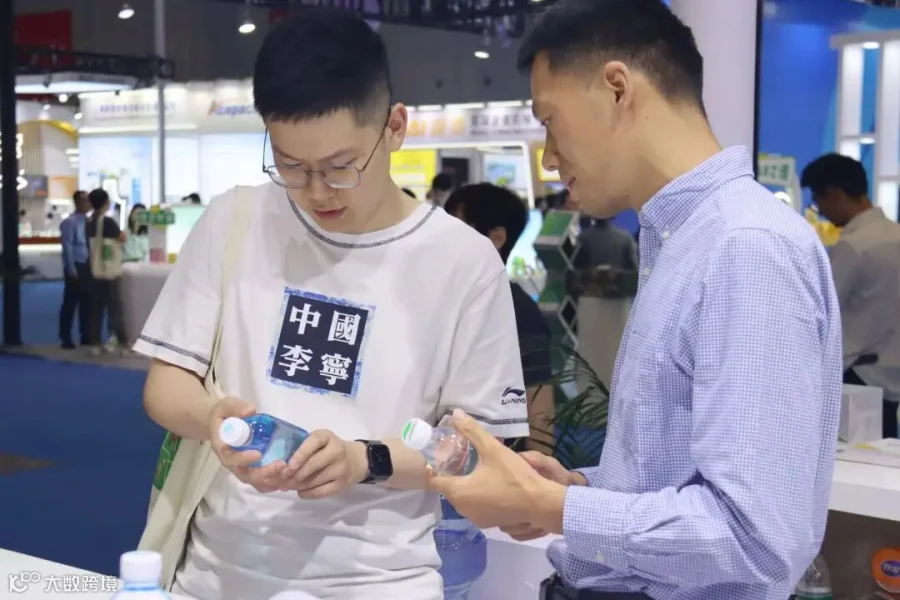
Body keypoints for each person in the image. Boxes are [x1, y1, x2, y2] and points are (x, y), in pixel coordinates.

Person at [427, 2, 842, 600]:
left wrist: (555, 507)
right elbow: (676, 476)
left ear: (617, 89)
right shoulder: (683, 239)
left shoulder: (746, 246)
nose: (548, 156)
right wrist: (576, 491)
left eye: (550, 121)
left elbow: (753, 537)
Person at [132, 8, 529, 600]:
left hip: (380, 581)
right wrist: (213, 421)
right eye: (291, 166)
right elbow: (166, 386)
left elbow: (477, 452)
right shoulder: (235, 219)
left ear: (394, 127)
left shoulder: (463, 261)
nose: (317, 192)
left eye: (341, 167)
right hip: (216, 576)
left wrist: (364, 460)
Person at [445, 183, 555, 448]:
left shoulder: (519, 309)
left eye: (456, 228)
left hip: (492, 460)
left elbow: (539, 406)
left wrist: (536, 466)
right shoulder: (444, 299)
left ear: (496, 238)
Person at [801, 153, 900, 439]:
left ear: (835, 193)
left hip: (856, 379)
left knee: (848, 459)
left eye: (818, 201)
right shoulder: (895, 234)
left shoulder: (853, 246)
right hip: (890, 378)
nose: (821, 212)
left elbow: (821, 312)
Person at [85, 188, 130, 356]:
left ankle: (95, 343)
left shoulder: (89, 222)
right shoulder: (108, 222)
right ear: (105, 202)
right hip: (109, 271)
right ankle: (124, 343)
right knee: (114, 308)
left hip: (94, 270)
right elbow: (122, 238)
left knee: (95, 308)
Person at [58, 190, 92, 349]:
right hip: (76, 265)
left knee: (86, 302)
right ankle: (65, 337)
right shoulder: (70, 222)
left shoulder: (89, 221)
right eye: (84, 200)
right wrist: (70, 267)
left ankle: (85, 335)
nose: (87, 203)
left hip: (88, 265)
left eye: (88, 200)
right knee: (70, 303)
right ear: (77, 202)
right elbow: (67, 246)